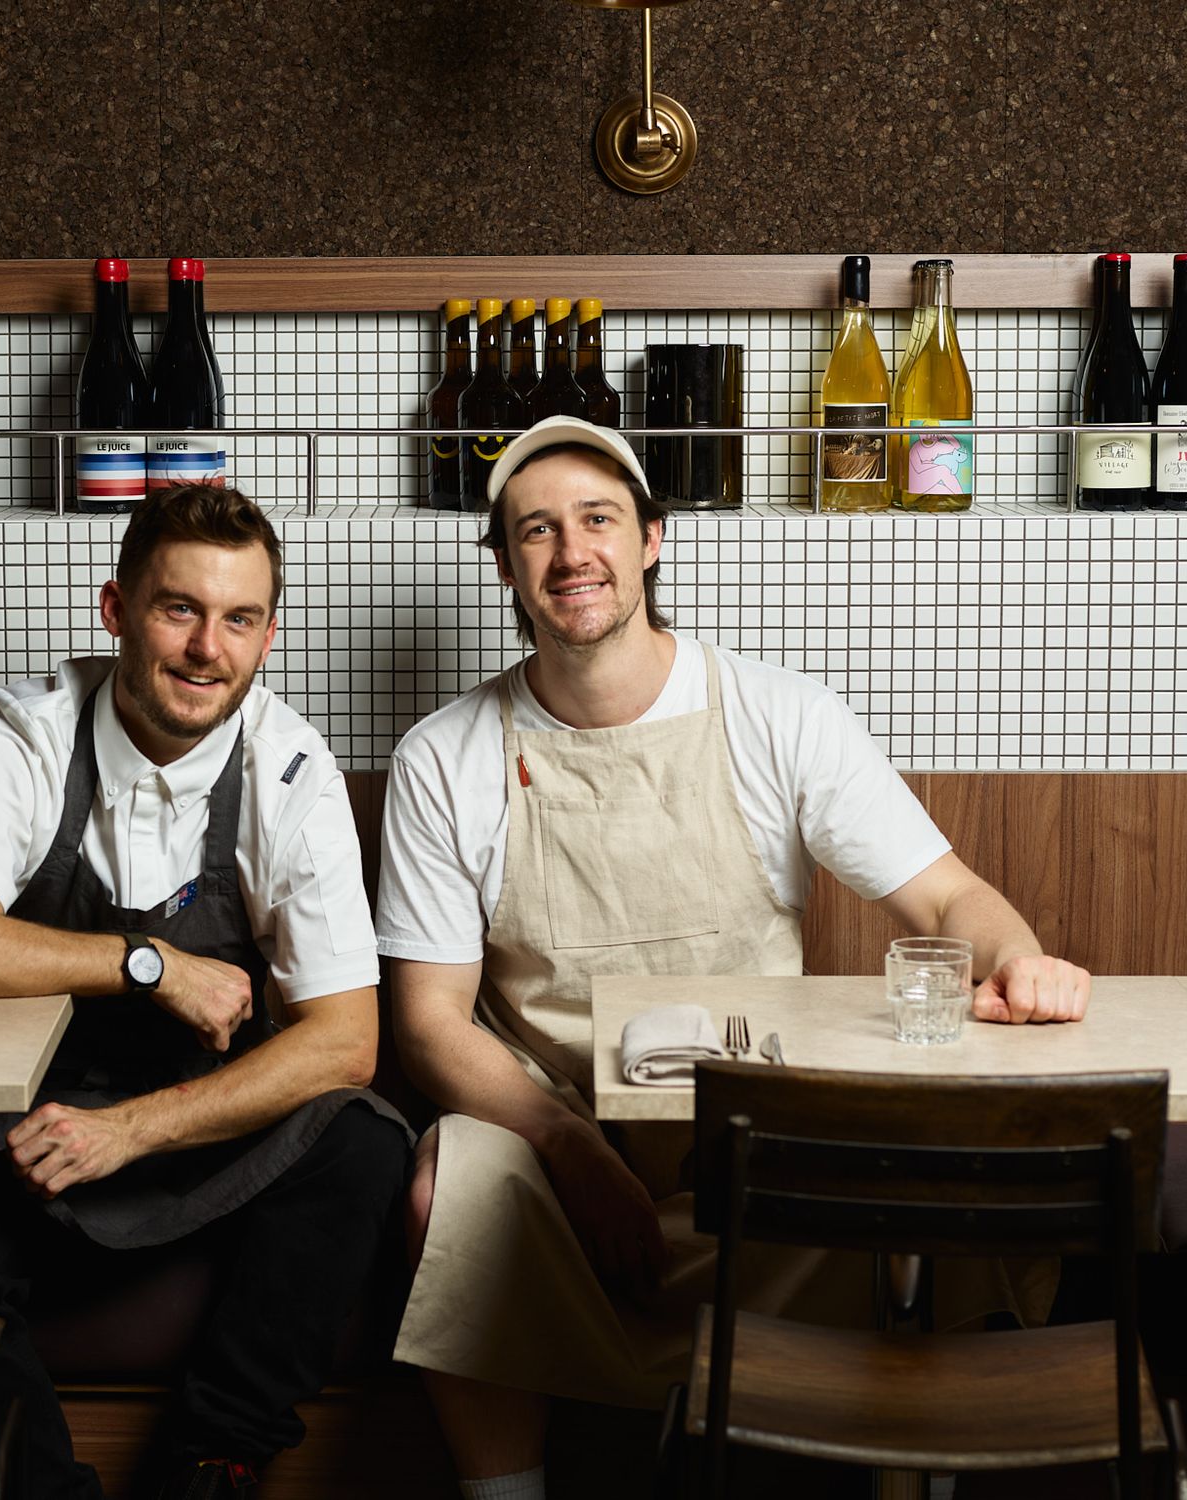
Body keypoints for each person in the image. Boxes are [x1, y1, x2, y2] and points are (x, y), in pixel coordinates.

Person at [376, 416, 1094, 1499]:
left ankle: (899, 1469)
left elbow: (945, 894)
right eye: (535, 532)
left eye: (597, 521)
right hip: (557, 1127)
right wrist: (573, 1150)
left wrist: (1019, 958)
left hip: (754, 1124)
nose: (572, 554)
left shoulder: (776, 713)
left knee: (943, 1169)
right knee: (442, 1187)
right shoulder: (444, 756)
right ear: (502, 565)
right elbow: (429, 1021)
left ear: (651, 539)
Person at [0, 484, 410, 1500]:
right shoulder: (25, 735)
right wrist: (152, 964)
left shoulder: (292, 771)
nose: (205, 648)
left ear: (269, 635)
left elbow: (345, 1040)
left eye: (238, 619)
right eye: (178, 609)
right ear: (116, 610)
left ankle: (208, 1466)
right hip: (20, 1135)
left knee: (361, 1140)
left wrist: (130, 1131)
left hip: (188, 1135)